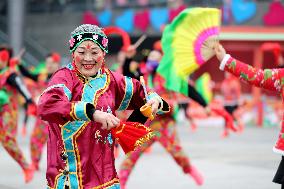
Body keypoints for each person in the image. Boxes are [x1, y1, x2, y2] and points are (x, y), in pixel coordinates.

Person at [37, 24, 166, 189]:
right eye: (82, 52)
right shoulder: (64, 77)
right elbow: (48, 105)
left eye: (94, 52)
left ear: (103, 54)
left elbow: (142, 93)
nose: (88, 59)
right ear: (73, 53)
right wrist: (92, 113)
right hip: (70, 176)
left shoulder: (111, 79)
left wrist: (154, 100)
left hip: (106, 177)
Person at [119, 47, 204, 189]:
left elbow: (188, 89)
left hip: (165, 123)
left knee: (178, 153)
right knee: (130, 157)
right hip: (147, 124)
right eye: (150, 57)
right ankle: (120, 184)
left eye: (156, 58)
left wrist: (203, 103)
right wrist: (128, 59)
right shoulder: (143, 76)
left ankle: (189, 169)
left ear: (161, 61)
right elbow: (128, 77)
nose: (152, 60)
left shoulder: (169, 77)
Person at [214, 43, 284, 188]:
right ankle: (229, 129)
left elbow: (256, 76)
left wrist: (225, 60)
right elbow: (256, 76)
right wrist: (226, 60)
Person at [18, 52, 61, 170]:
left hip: (57, 116)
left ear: (57, 64)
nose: (49, 65)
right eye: (47, 63)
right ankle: (34, 163)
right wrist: (19, 63)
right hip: (42, 116)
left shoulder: (62, 77)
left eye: (52, 63)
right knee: (35, 140)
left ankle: (58, 165)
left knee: (57, 142)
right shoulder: (42, 76)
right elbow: (29, 74)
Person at [0, 46, 35, 183]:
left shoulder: (10, 74)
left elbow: (22, 88)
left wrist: (30, 101)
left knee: (8, 140)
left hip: (8, 112)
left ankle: (27, 167)